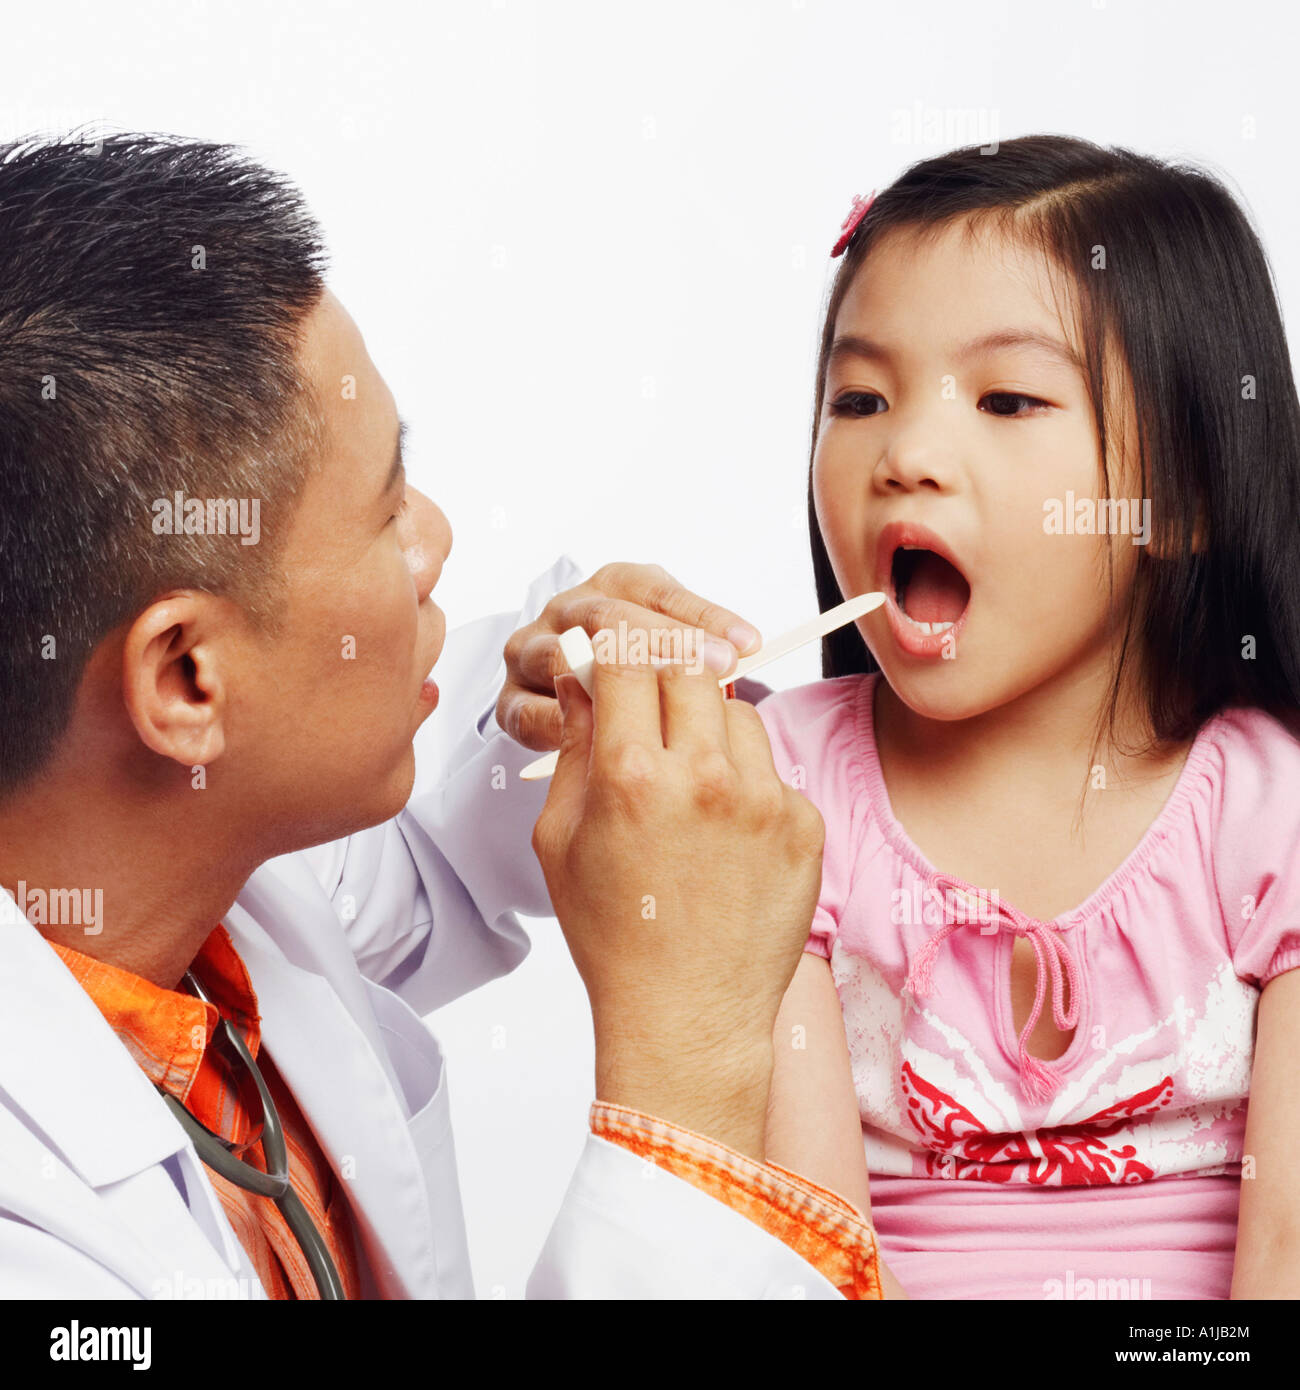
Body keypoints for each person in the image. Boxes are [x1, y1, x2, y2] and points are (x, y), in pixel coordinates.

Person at [0, 132, 883, 1299]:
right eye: (383, 511)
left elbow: (414, 856)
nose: (436, 541)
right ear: (186, 682)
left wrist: (531, 726)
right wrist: (687, 1066)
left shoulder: (194, 892)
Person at [757, 135, 1300, 1299]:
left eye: (1007, 398)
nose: (905, 453)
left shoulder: (1277, 813)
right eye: (859, 397)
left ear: (1182, 496)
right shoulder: (771, 792)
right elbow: (805, 1257)